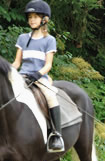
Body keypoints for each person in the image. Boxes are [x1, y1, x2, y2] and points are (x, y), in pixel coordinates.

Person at [12, 0, 64, 152]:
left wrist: (37, 74)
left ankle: (56, 134)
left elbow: (48, 65)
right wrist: (7, 71)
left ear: (44, 19)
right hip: (22, 76)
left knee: (50, 96)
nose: (32, 19)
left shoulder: (49, 40)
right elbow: (17, 62)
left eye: (35, 16)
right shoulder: (22, 38)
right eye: (30, 17)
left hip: (39, 77)